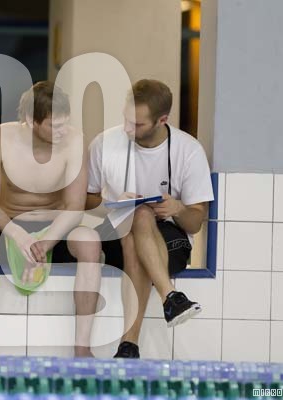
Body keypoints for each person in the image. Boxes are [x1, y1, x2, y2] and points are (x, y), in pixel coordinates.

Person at [0, 81, 102, 357]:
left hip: (55, 225)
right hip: (6, 223)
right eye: (54, 125)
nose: (62, 131)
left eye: (65, 123)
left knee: (90, 241)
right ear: (30, 120)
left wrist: (43, 244)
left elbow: (75, 206)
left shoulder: (75, 141)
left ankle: (82, 347)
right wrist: (19, 237)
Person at [86, 79, 214, 358]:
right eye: (126, 119)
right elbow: (86, 199)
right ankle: (170, 297)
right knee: (139, 214)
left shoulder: (188, 151)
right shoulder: (104, 143)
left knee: (141, 217)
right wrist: (112, 204)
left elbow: (195, 223)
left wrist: (177, 208)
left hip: (168, 240)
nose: (128, 129)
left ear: (162, 120)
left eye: (137, 124)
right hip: (116, 232)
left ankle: (129, 345)